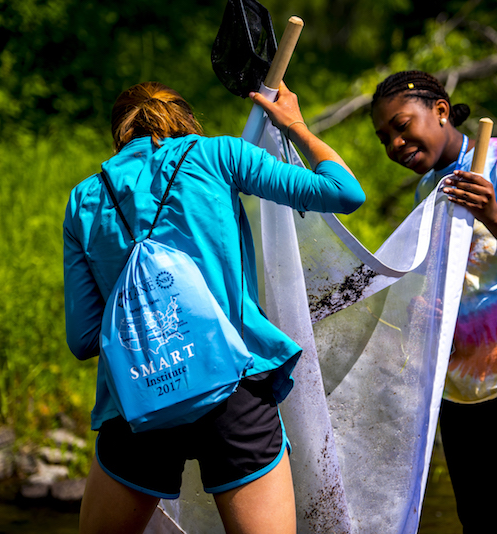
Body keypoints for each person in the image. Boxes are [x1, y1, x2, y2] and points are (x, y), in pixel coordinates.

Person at [64, 81, 365, 534]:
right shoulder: (220, 156)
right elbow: (344, 192)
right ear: (186, 119)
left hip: (137, 401)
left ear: (120, 133)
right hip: (234, 391)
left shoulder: (85, 199)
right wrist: (295, 125)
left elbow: (84, 339)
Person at [371, 70, 497, 533]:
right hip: (460, 385)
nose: (395, 144)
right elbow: (448, 286)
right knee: (481, 523)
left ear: (440, 111)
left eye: (402, 126)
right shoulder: (430, 191)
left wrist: (492, 213)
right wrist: (421, 308)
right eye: (385, 138)